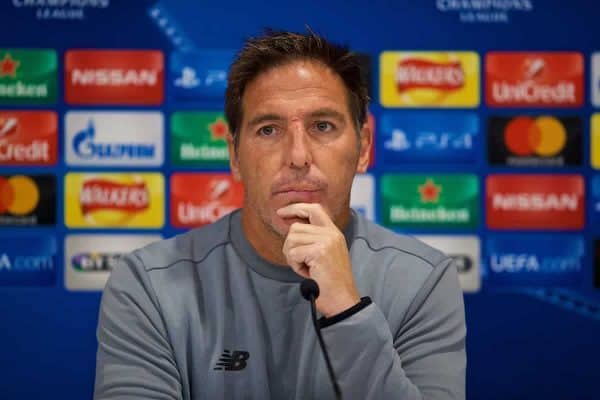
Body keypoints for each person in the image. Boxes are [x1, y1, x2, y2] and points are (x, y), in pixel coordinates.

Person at [94, 29, 466, 400]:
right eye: (269, 129)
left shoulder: (422, 281)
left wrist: (346, 311)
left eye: (323, 126)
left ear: (364, 147)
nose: (298, 156)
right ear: (235, 156)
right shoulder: (148, 285)